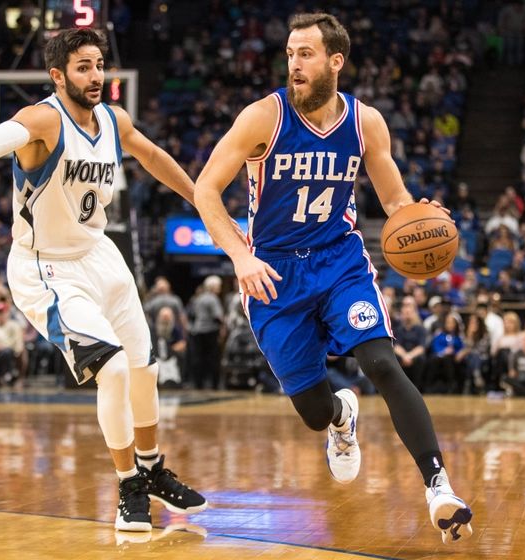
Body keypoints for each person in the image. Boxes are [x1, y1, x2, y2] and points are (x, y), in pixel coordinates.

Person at [194, 13, 473, 543]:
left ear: (335, 61)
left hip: (338, 258)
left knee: (381, 362)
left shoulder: (366, 123)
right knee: (314, 411)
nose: (294, 65)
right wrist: (239, 257)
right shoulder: (263, 117)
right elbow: (207, 190)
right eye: (290, 54)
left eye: (306, 54)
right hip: (273, 271)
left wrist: (419, 215)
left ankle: (440, 486)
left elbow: (393, 200)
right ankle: (342, 418)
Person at [0, 28, 208, 531]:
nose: (96, 75)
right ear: (59, 75)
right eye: (83, 67)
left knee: (144, 368)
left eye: (99, 65)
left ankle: (152, 467)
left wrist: (199, 198)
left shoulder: (114, 120)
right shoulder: (43, 119)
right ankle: (128, 487)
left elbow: (153, 156)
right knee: (115, 371)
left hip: (100, 254)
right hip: (47, 266)